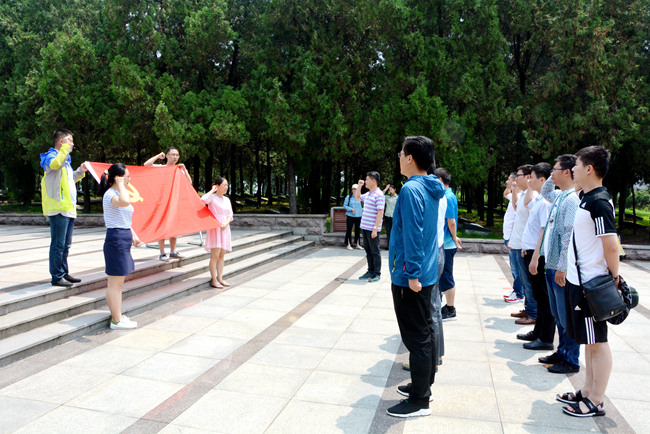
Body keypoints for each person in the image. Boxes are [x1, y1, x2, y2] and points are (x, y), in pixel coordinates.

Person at [387, 136, 445, 418]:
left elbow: (413, 235)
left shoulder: (411, 189)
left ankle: (420, 400)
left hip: (411, 277)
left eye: (401, 154)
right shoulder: (432, 186)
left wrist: (411, 274)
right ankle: (423, 385)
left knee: (417, 337)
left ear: (410, 158)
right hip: (427, 272)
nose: (399, 158)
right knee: (426, 330)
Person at [559, 146, 618, 418]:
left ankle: (596, 400)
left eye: (578, 164)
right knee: (589, 341)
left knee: (598, 342)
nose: (573, 169)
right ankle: (587, 390)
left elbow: (611, 245)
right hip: (578, 282)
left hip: (591, 285)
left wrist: (614, 279)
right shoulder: (586, 197)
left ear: (589, 168)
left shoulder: (599, 202)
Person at [538, 154, 580, 374]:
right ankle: (562, 351)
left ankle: (571, 359)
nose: (551, 174)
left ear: (567, 172)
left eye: (555, 170)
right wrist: (552, 176)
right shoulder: (560, 195)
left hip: (559, 266)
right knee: (558, 314)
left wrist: (563, 267)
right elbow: (545, 191)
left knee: (566, 316)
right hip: (551, 263)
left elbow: (568, 236)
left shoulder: (572, 199)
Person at [39, 129, 88, 287]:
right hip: (58, 207)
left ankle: (63, 273)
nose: (72, 144)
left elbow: (70, 179)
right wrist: (65, 149)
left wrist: (80, 171)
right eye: (70, 140)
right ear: (61, 141)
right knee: (58, 244)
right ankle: (57, 276)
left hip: (67, 208)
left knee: (65, 245)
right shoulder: (50, 156)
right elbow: (55, 164)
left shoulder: (65, 161)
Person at [98, 163, 143, 330]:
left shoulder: (117, 193)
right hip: (116, 239)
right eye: (127, 176)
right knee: (114, 283)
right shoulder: (110, 194)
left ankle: (118, 316)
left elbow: (124, 219)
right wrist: (120, 184)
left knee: (119, 282)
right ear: (118, 178)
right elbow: (124, 202)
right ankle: (116, 320)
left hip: (123, 237)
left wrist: (133, 236)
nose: (129, 179)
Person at [518, 162, 554, 351]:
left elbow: (544, 231)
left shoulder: (546, 203)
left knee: (544, 298)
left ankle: (546, 338)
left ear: (543, 180)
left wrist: (535, 257)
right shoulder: (539, 200)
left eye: (532, 177)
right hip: (531, 252)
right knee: (539, 296)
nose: (529, 180)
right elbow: (526, 203)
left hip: (537, 255)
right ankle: (538, 331)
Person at [144, 147, 192, 261]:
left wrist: (184, 169)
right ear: (167, 156)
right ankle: (162, 253)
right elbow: (146, 165)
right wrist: (157, 156)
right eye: (173, 154)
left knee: (174, 227)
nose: (175, 157)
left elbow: (189, 183)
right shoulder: (161, 168)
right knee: (162, 226)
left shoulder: (178, 170)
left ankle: (173, 251)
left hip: (174, 202)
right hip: (162, 202)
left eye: (177, 155)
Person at [507, 164, 537, 325]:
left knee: (528, 282)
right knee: (525, 281)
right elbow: (516, 207)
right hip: (518, 243)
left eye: (518, 176)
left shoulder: (533, 195)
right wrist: (514, 191)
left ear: (528, 177)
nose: (516, 179)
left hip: (526, 246)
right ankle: (528, 308)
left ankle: (533, 313)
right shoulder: (524, 193)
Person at [435, 168, 462, 321]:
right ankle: (444, 306)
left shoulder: (448, 197)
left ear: (440, 180)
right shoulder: (447, 195)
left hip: (447, 245)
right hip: (445, 244)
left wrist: (454, 237)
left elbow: (451, 221)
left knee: (446, 277)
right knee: (443, 276)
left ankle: (450, 310)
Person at [201, 177, 234, 289]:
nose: (226, 187)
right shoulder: (212, 198)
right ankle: (214, 280)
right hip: (215, 228)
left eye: (227, 185)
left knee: (221, 255)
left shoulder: (227, 200)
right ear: (217, 186)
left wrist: (226, 223)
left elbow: (230, 214)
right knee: (215, 255)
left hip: (225, 228)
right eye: (224, 185)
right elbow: (202, 200)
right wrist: (212, 190)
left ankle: (220, 278)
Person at [355, 172, 385, 283]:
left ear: (374, 181)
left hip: (372, 229)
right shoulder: (368, 194)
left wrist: (375, 228)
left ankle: (377, 273)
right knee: (368, 250)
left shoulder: (379, 194)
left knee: (375, 251)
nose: (365, 181)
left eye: (367, 179)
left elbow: (380, 212)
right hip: (365, 227)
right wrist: (359, 186)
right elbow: (357, 197)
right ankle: (370, 271)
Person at [503, 172, 525, 303]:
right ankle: (517, 291)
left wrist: (511, 238)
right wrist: (511, 187)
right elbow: (506, 194)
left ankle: (519, 294)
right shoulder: (514, 195)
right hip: (509, 237)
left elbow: (517, 219)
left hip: (513, 238)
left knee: (517, 269)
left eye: (509, 179)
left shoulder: (520, 196)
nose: (506, 181)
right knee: (514, 267)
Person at [342, 184, 363, 250]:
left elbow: (365, 203)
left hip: (358, 216)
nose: (354, 190)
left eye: (356, 189)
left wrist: (363, 208)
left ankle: (357, 244)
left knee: (357, 230)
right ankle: (348, 244)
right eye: (353, 189)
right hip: (350, 215)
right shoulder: (348, 197)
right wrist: (351, 209)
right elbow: (344, 206)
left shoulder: (360, 197)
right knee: (349, 229)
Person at [382, 184, 398, 249]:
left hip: (395, 216)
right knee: (388, 231)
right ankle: (389, 245)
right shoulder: (387, 197)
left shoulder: (398, 197)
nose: (390, 191)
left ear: (395, 189)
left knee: (394, 231)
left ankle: (394, 246)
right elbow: (380, 195)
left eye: (391, 189)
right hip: (388, 216)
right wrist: (386, 189)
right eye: (389, 189)